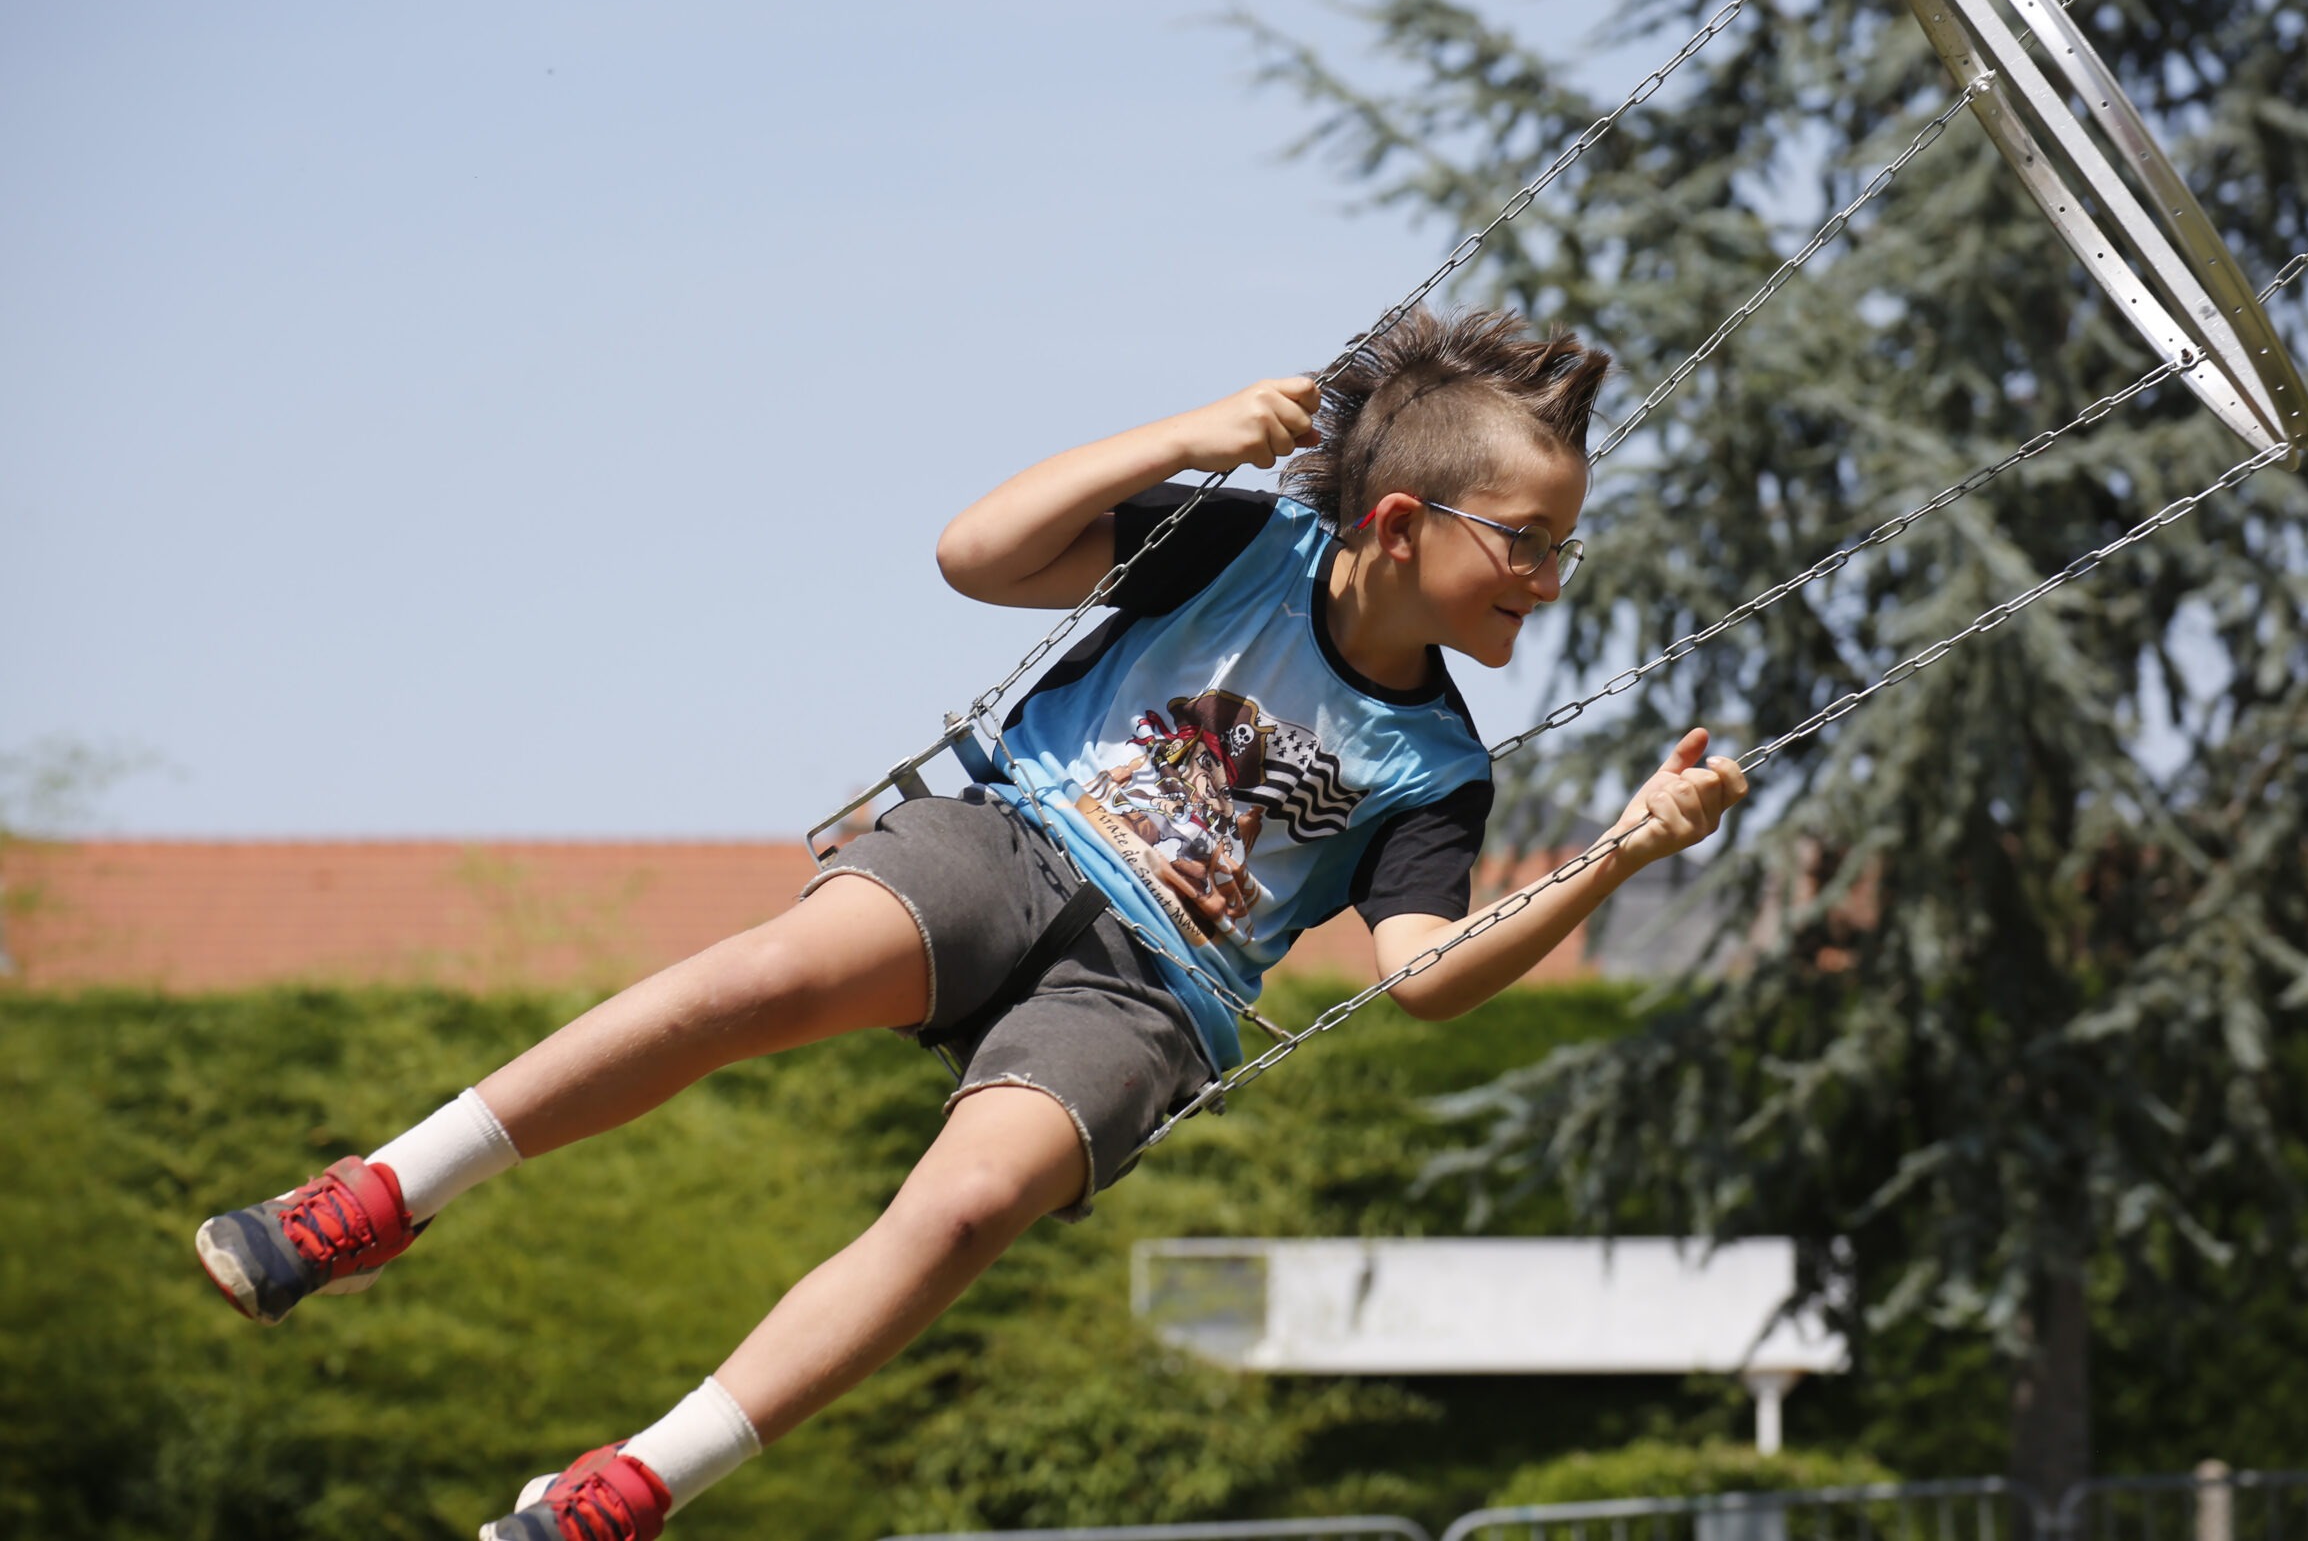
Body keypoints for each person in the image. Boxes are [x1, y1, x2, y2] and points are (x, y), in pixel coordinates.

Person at [191, 306, 1749, 1541]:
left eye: (1562, 543)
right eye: (1529, 538)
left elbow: (1423, 981)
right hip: (1011, 840)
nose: (1550, 578)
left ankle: (632, 1487)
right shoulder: (1236, 548)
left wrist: (1619, 853)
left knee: (962, 1211)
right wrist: (1191, 436)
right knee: (763, 978)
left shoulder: (1439, 767)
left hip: (1154, 997)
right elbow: (976, 556)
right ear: (1404, 521)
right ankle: (381, 1195)